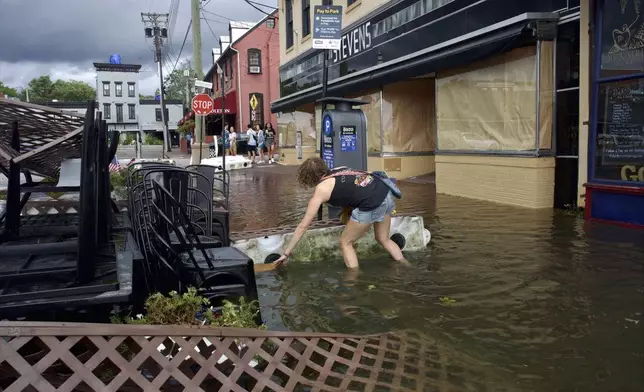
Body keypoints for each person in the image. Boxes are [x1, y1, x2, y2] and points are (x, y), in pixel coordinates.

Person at [273, 157, 406, 270]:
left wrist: (286, 253)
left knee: (345, 242)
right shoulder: (340, 169)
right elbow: (354, 190)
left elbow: (303, 226)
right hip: (385, 193)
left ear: (307, 177)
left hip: (372, 203)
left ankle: (354, 281)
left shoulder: (321, 190)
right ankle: (405, 265)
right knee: (384, 239)